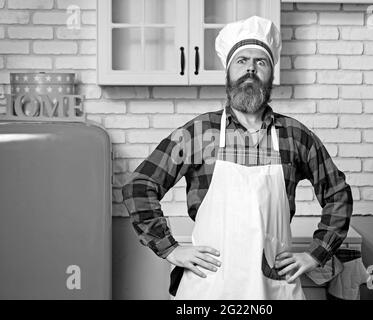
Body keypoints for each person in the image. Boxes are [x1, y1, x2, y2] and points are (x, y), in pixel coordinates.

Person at [122, 16, 353, 300]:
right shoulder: (200, 133)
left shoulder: (294, 136)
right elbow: (140, 184)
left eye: (261, 62)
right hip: (209, 285)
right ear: (228, 71)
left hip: (272, 287)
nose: (251, 70)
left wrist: (316, 254)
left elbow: (337, 193)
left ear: (271, 74)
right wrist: (170, 248)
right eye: (242, 61)